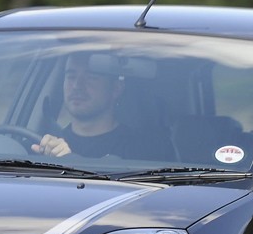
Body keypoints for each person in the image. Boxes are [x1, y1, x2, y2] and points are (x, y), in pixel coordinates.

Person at [31, 52, 161, 160]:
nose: (77, 86)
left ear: (116, 88)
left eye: (91, 77)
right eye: (71, 77)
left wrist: (69, 159)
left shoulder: (142, 150)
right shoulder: (49, 147)